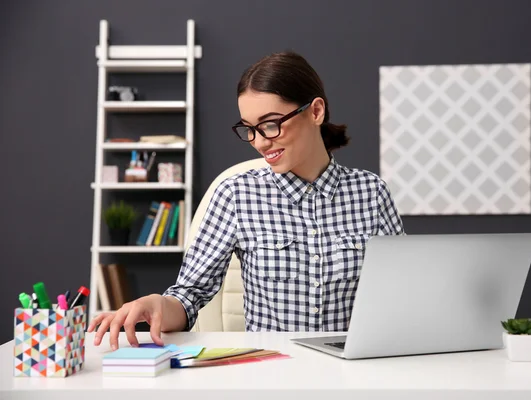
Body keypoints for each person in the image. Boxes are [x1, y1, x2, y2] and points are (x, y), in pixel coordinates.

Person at [88, 51, 405, 350]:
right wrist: (157, 304)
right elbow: (188, 297)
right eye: (250, 130)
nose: (260, 142)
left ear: (316, 111)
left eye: (270, 124)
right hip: (271, 374)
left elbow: (404, 290)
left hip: (354, 374)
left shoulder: (372, 193)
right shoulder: (236, 195)